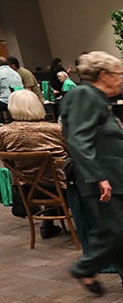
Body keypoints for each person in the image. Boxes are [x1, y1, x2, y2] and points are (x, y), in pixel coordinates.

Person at [61, 51, 123, 296]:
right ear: (103, 75)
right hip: (104, 178)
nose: (120, 80)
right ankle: (86, 268)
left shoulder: (95, 97)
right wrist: (99, 177)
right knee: (115, 229)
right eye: (117, 75)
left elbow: (97, 136)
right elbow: (78, 140)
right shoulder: (84, 95)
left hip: (115, 175)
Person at [0, 90, 68, 238]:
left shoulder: (4, 133)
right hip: (64, 190)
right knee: (58, 174)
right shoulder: (56, 129)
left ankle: (47, 225)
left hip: (27, 190)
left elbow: (7, 159)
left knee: (41, 176)